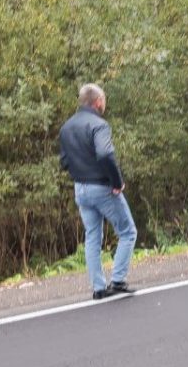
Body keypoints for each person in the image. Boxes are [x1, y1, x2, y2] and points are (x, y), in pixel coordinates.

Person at [58, 83, 138, 300]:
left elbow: (64, 161)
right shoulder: (99, 124)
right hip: (101, 186)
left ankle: (98, 287)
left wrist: (79, 170)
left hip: (80, 188)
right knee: (128, 232)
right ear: (98, 102)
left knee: (92, 236)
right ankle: (118, 280)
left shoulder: (66, 127)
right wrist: (116, 182)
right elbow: (104, 154)